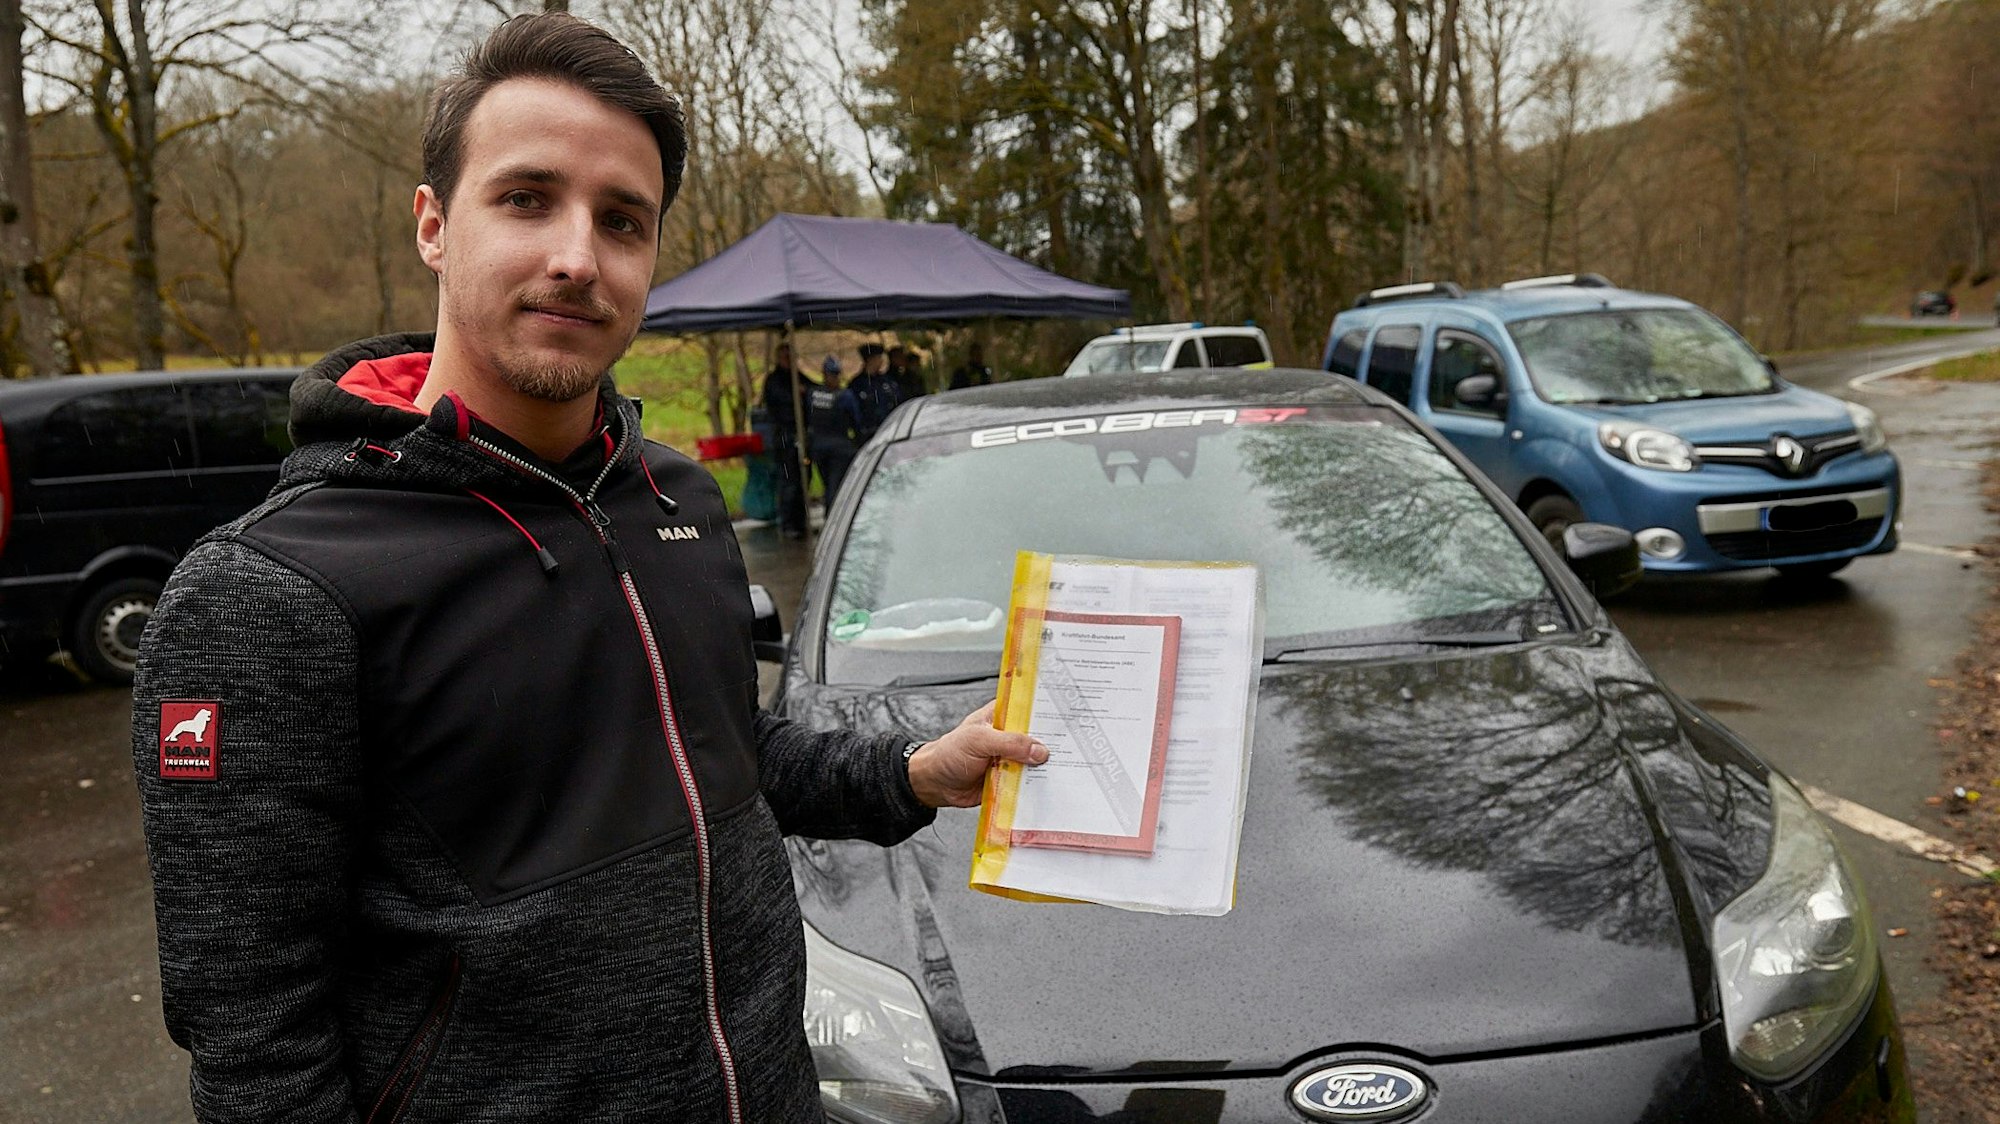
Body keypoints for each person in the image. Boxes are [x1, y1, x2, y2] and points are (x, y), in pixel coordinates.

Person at [126, 14, 1045, 1124]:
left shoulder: (675, 499)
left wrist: (912, 771)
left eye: (622, 220)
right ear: (433, 224)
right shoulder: (269, 592)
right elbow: (255, 1046)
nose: (577, 254)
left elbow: (725, 756)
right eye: (526, 198)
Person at [760, 341, 810, 538]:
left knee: (801, 479)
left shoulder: (796, 376)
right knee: (788, 481)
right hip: (783, 436)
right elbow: (780, 401)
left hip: (799, 434)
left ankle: (800, 520)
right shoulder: (774, 380)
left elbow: (812, 387)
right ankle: (788, 523)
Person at [807, 353, 858, 505]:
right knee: (836, 487)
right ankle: (833, 517)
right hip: (840, 447)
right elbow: (856, 420)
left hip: (818, 446)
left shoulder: (813, 394)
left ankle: (829, 513)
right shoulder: (844, 396)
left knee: (829, 484)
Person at [838, 341, 902, 445]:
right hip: (867, 436)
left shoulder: (887, 381)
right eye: (879, 357)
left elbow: (897, 401)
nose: (881, 361)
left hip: (889, 432)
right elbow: (853, 411)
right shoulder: (857, 384)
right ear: (871, 359)